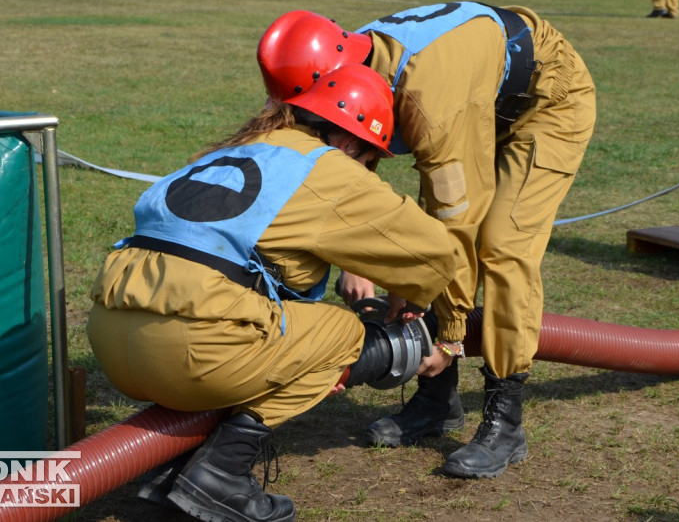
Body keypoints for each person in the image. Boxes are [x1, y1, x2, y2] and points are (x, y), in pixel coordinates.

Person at [87, 64, 457, 522]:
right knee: (341, 329)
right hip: (192, 352)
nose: (367, 171)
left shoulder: (235, 150)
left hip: (109, 337)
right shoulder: (330, 166)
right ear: (348, 143)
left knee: (255, 316)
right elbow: (438, 254)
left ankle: (177, 464)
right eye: (370, 160)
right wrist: (416, 304)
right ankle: (219, 475)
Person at [257, 3, 596, 479]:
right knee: (433, 226)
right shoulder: (357, 58)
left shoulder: (425, 99)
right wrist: (359, 259)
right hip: (479, 97)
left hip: (545, 103)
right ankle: (438, 402)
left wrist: (452, 339)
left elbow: (454, 225)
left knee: (502, 246)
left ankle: (506, 422)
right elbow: (348, 153)